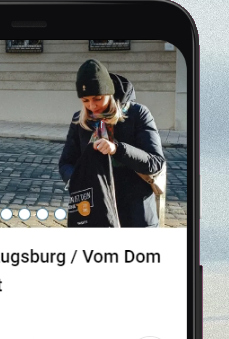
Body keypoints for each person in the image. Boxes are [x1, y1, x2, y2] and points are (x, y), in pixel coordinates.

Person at [58, 58, 165, 227]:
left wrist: (117, 149)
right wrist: (79, 181)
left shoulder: (138, 114)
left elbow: (155, 163)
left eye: (98, 98)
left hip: (136, 214)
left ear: (109, 93)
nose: (92, 106)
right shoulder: (80, 119)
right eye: (85, 101)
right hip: (96, 214)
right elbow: (66, 163)